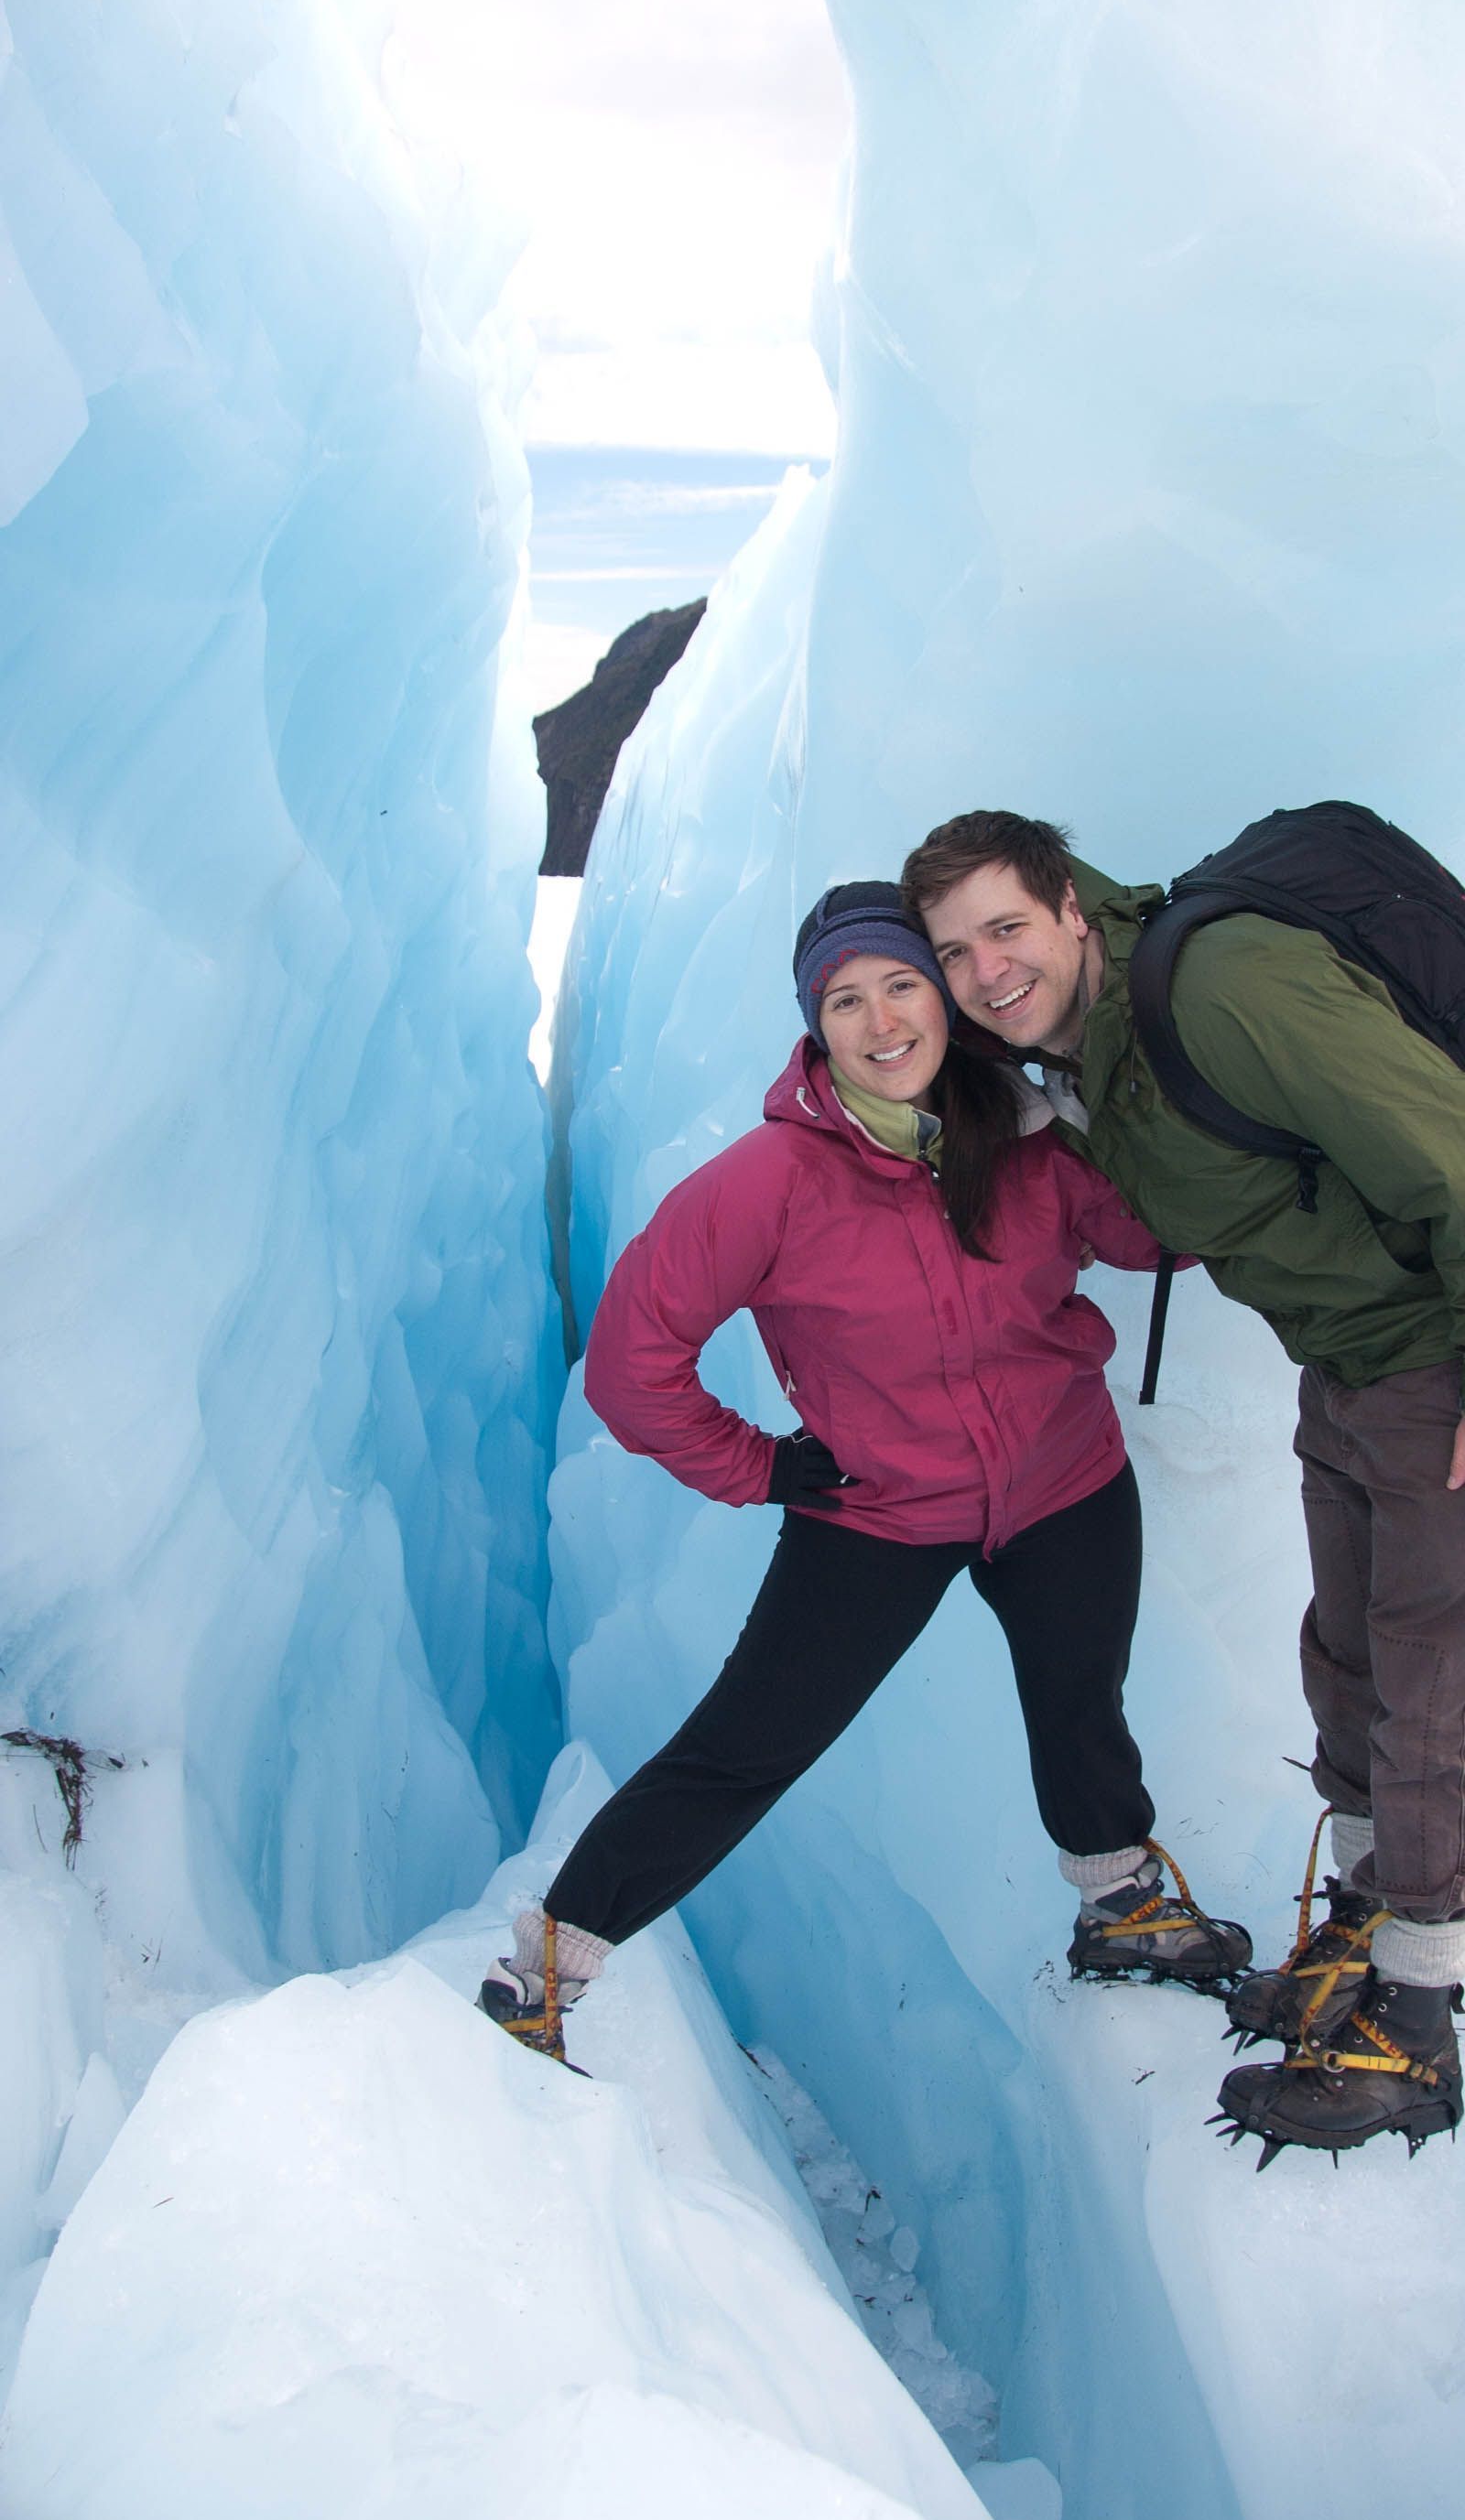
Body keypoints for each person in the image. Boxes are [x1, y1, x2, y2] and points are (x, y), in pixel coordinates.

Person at [901, 814, 1465, 2162]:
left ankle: (1417, 2019)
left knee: (1440, 1681)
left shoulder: (1222, 988)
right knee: (1354, 1660)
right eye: (954, 951)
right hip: (1355, 1359)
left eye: (1006, 929)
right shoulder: (1086, 1055)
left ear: (1070, 912)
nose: (986, 972)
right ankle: (1361, 1930)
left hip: (1463, 1347)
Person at [478, 882, 1249, 2064]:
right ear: (815, 1025)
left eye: (901, 985)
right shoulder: (767, 1183)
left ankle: (1120, 1907)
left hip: (1065, 1480)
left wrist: (1159, 1121)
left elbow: (1152, 1236)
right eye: (845, 1000)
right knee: (749, 1743)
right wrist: (760, 1466)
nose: (880, 1019)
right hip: (880, 1511)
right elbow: (634, 1368)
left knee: (1081, 1709)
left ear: (944, 1002)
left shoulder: (1030, 1143)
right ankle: (547, 1966)